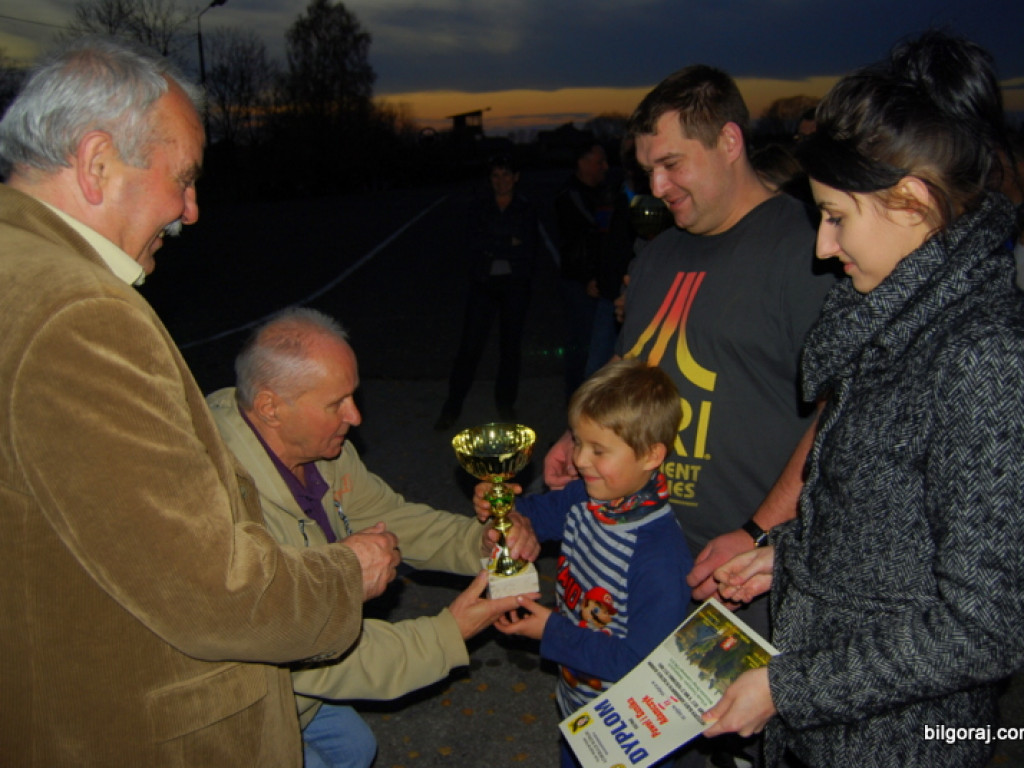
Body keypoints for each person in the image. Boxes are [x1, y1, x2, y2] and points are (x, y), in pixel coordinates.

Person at [0, 37, 404, 766]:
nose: (191, 211)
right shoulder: (80, 315)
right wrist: (347, 574)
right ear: (97, 164)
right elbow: (210, 591)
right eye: (182, 179)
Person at [706, 32, 1024, 768]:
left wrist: (787, 688)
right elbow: (895, 537)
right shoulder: (899, 317)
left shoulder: (984, 358)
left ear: (911, 202)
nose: (822, 246)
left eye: (836, 216)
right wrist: (791, 558)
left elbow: (985, 627)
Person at [543, 64, 835, 767]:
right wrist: (575, 436)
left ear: (729, 140)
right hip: (642, 570)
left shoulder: (807, 249)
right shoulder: (660, 252)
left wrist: (759, 528)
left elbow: (843, 411)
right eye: (648, 170)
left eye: (672, 164)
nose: (657, 188)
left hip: (741, 579)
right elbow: (631, 374)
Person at [207, 308, 541, 768]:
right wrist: (449, 634)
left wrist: (480, 543)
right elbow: (308, 651)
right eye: (336, 404)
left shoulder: (321, 451)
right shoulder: (221, 506)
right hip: (234, 706)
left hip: (296, 688)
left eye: (353, 395)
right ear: (270, 407)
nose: (356, 416)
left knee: (356, 748)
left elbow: (390, 516)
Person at [477, 359, 692, 768]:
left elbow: (640, 659)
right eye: (577, 441)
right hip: (579, 703)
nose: (579, 460)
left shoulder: (658, 556)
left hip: (631, 731)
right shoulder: (585, 499)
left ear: (651, 455)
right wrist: (503, 509)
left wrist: (550, 631)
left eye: (598, 450)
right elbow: (535, 514)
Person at [435, 155, 539, 430]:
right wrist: (507, 240)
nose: (501, 181)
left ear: (516, 177)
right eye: (495, 176)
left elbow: (527, 246)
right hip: (483, 284)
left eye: (506, 175)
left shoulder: (526, 208)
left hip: (515, 285)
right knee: (469, 347)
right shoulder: (479, 206)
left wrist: (494, 241)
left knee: (510, 349)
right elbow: (473, 242)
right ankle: (452, 405)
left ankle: (505, 404)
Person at [554, 140, 613, 399]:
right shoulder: (571, 196)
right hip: (581, 285)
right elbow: (588, 237)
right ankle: (576, 411)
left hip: (600, 282)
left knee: (603, 348)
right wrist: (588, 276)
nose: (605, 167)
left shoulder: (602, 192)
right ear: (583, 163)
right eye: (599, 161)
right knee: (582, 348)